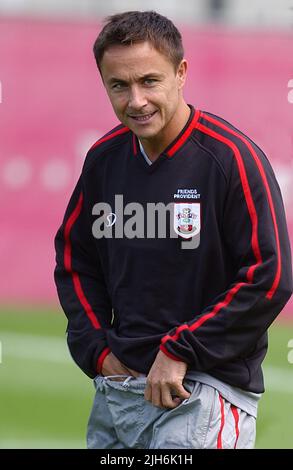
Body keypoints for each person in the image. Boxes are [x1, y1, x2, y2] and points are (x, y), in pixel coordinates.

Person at [54, 10, 292, 449]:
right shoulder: (103, 160)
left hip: (203, 392)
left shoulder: (231, 158)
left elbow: (270, 277)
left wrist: (181, 349)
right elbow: (75, 260)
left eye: (150, 81)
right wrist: (98, 353)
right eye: (119, 85)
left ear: (181, 73)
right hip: (119, 393)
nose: (136, 100)